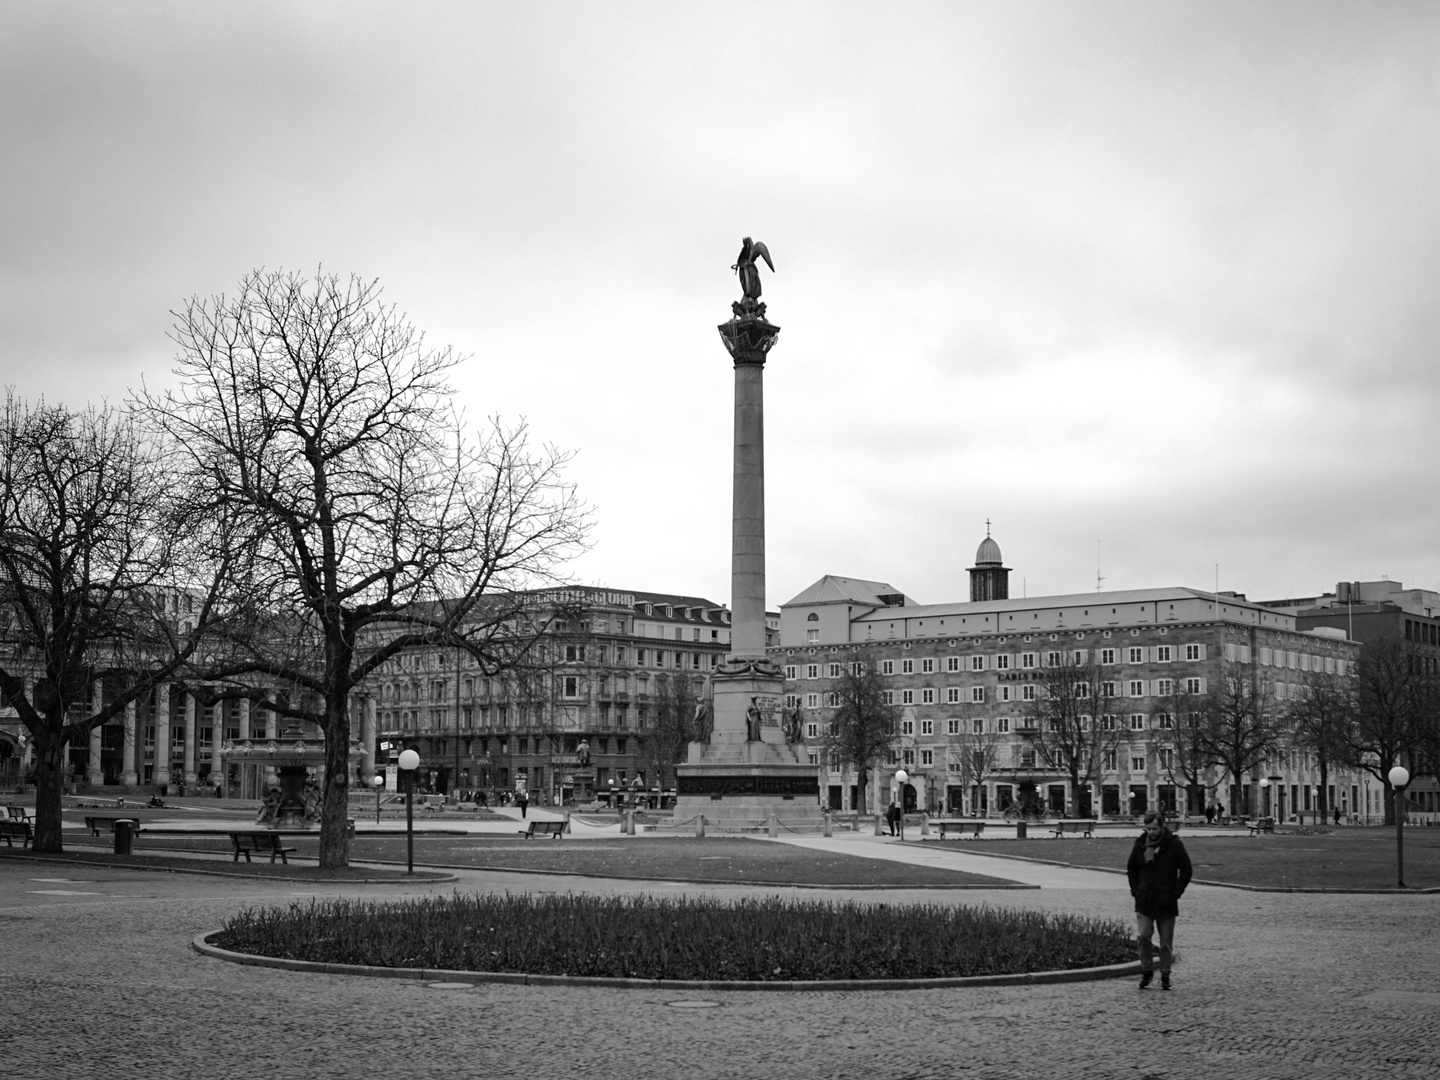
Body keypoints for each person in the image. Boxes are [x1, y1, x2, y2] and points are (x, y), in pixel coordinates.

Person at [1127, 809, 1193, 991]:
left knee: (1165, 942)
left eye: (1154, 828)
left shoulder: (1174, 844)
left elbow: (1186, 870)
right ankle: (1146, 970)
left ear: (1161, 826)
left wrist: (1175, 893)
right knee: (1143, 935)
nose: (1151, 832)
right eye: (1148, 829)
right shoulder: (1140, 844)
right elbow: (1131, 868)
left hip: (1166, 899)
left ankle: (1165, 974)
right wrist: (1136, 890)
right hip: (1145, 899)